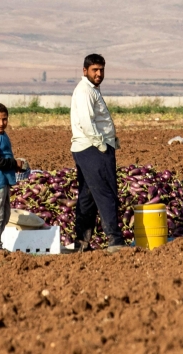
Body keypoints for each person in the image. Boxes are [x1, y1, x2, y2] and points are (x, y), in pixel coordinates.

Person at [70, 53, 126, 252]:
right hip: (92, 149)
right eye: (94, 70)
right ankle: (115, 240)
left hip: (86, 148)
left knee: (88, 196)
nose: (99, 73)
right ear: (85, 71)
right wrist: (101, 146)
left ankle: (81, 243)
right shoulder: (85, 91)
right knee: (106, 193)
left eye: (101, 70)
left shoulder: (92, 90)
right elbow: (87, 123)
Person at [0, 103, 27, 255]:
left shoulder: (2, 135)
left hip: (4, 180)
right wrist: (15, 163)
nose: (1, 123)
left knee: (5, 215)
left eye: (4, 119)